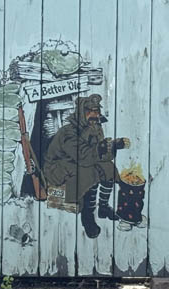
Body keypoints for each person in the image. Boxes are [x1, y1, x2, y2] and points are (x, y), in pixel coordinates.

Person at [43, 94, 129, 239]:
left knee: (108, 167)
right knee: (89, 172)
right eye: (91, 111)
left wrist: (111, 146)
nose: (96, 115)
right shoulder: (69, 132)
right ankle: (87, 216)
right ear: (82, 113)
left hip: (78, 161)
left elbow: (100, 155)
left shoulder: (94, 127)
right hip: (58, 166)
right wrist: (102, 148)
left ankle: (103, 207)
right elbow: (83, 156)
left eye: (97, 111)